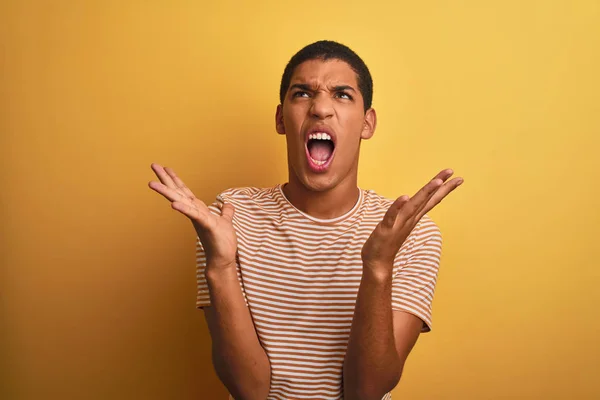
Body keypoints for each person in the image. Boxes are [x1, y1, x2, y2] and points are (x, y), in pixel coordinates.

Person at [148, 40, 463, 400]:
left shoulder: (411, 234)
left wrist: (378, 267)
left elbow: (367, 391)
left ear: (367, 122)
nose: (321, 108)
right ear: (282, 118)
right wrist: (220, 266)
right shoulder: (229, 218)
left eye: (342, 94)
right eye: (302, 93)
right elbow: (249, 390)